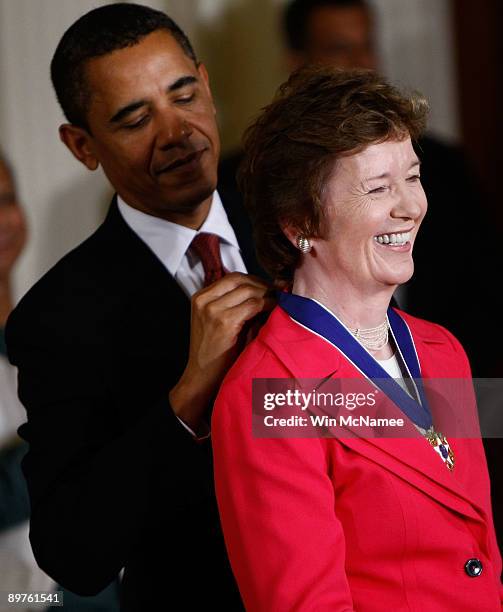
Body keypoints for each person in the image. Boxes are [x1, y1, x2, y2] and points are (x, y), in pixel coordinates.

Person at [5, 4, 271, 610]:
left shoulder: (297, 218)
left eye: (183, 96)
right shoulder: (60, 318)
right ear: (82, 146)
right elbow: (71, 549)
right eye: (134, 119)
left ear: (205, 84)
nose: (177, 132)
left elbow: (409, 402)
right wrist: (187, 397)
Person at [212, 66, 503, 610]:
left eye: (413, 177)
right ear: (299, 223)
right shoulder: (266, 396)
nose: (410, 206)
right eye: (377, 188)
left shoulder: (444, 349)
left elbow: (479, 549)